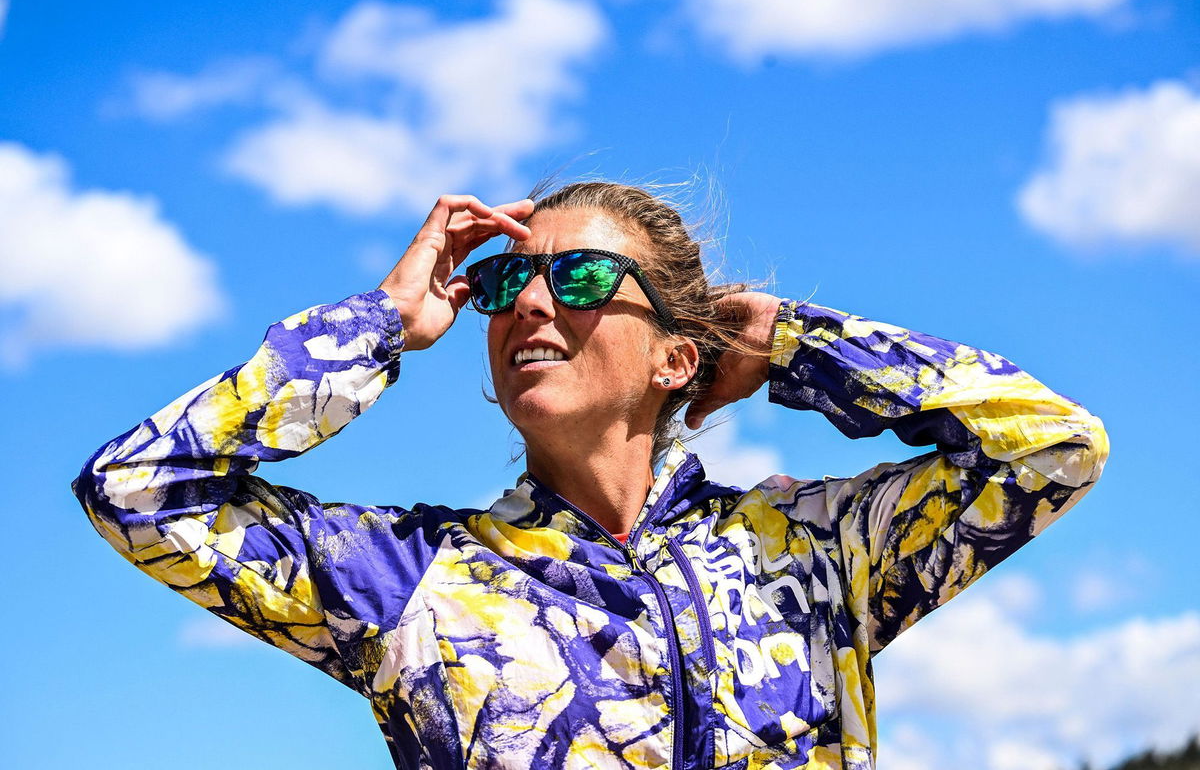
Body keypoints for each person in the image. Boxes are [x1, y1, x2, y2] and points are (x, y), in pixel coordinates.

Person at [73, 182, 1109, 770]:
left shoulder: (817, 554)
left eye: (575, 278)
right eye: (503, 280)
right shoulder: (412, 583)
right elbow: (136, 487)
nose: (530, 303)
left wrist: (797, 343)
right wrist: (379, 325)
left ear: (676, 357)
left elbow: (1054, 446)